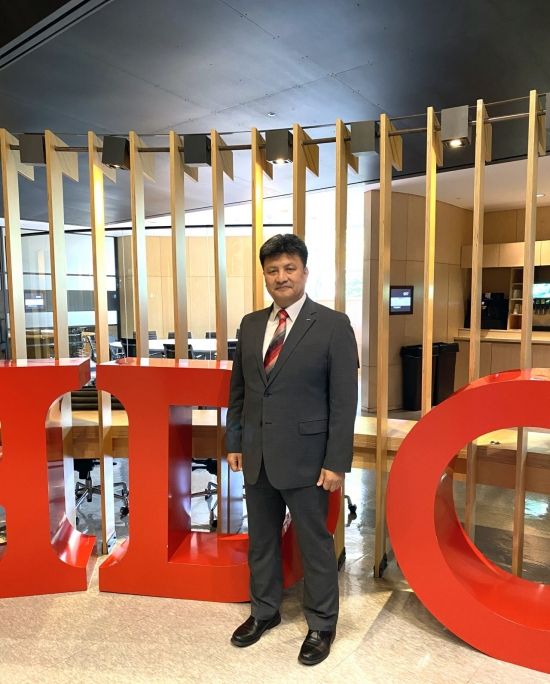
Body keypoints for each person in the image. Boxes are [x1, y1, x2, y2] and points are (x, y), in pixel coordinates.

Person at [225, 233, 358, 666]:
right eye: (272, 270)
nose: (281, 277)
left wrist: (336, 461)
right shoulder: (250, 325)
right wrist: (235, 441)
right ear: (264, 276)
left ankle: (322, 624)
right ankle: (264, 611)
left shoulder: (333, 325)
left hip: (308, 459)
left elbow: (344, 401)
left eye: (289, 268)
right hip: (257, 455)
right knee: (262, 540)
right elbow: (240, 391)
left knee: (314, 544)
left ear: (304, 272)